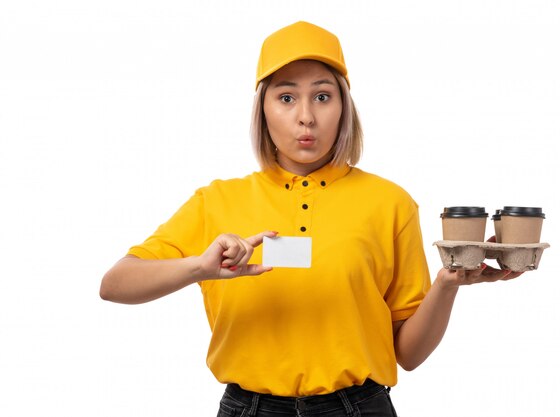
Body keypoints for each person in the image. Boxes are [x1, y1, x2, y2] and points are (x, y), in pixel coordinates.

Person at [100, 21, 523, 417]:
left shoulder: (390, 202)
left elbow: (408, 355)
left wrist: (447, 286)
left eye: (322, 96)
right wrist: (198, 268)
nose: (306, 116)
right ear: (263, 109)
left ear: (343, 107)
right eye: (286, 97)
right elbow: (115, 284)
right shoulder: (216, 201)